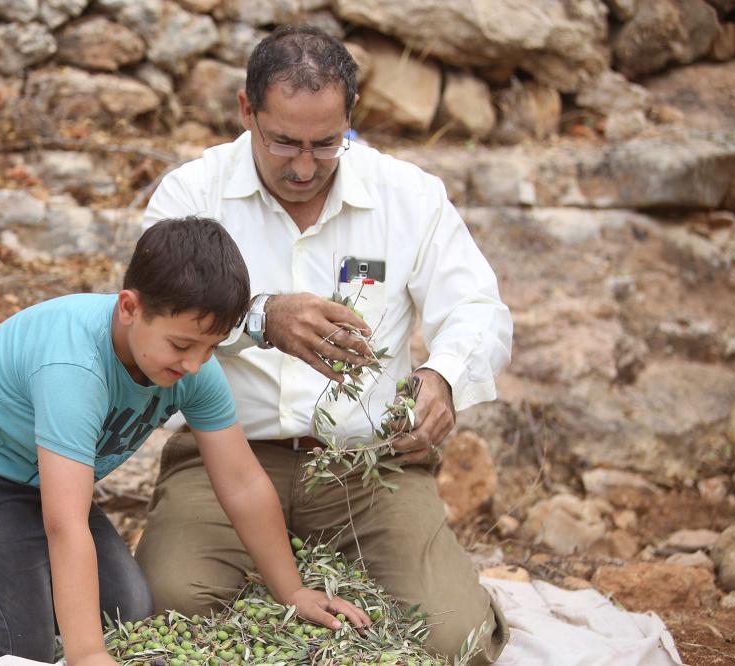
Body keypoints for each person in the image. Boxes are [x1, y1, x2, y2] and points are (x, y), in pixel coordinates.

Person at [0, 217, 370, 666]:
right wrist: (86, 657)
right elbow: (65, 524)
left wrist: (292, 590)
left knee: (128, 612)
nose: (194, 364)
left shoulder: (192, 368)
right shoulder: (75, 368)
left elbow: (241, 481)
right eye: (182, 345)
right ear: (130, 307)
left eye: (211, 347)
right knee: (14, 650)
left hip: (38, 483)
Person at [135, 26, 513, 665]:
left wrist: (444, 377)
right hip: (223, 458)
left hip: (368, 468)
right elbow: (151, 314)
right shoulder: (192, 192)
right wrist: (260, 316)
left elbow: (479, 308)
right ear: (246, 109)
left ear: (351, 115)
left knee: (454, 638)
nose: (304, 167)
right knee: (165, 604)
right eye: (283, 141)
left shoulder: (408, 196)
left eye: (326, 143)